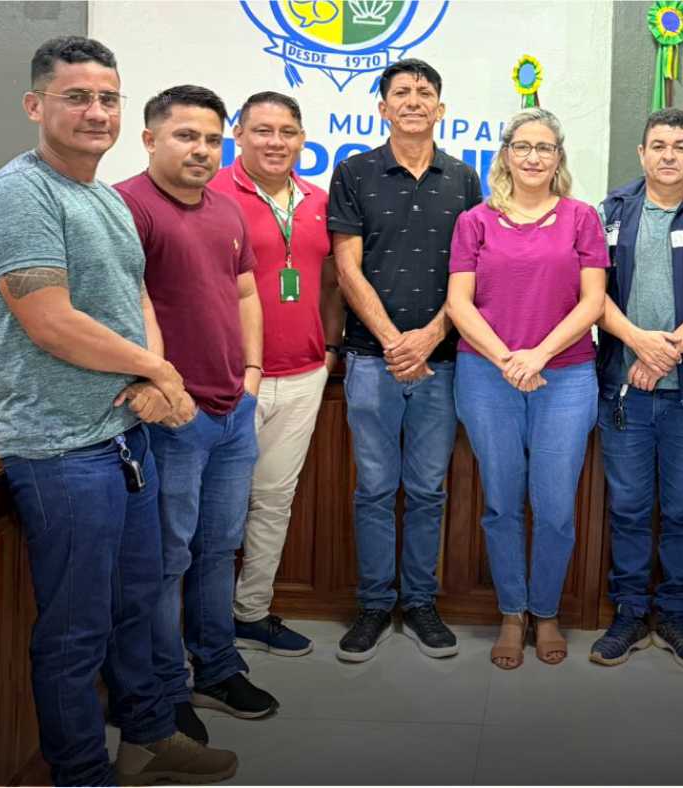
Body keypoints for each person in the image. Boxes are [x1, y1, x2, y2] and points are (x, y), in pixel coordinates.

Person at [0, 36, 236, 785]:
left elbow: (136, 299)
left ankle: (149, 737)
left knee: (132, 609)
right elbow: (48, 319)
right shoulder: (20, 193)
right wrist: (158, 368)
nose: (96, 111)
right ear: (35, 105)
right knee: (74, 633)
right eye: (76, 96)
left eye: (108, 98)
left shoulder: (103, 198)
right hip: (59, 452)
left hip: (124, 438)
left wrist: (153, 380)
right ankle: (83, 775)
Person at [117, 85, 277, 744]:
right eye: (186, 136)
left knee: (217, 550)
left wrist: (252, 375)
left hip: (231, 411)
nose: (202, 150)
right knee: (166, 560)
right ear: (151, 139)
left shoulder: (228, 210)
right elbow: (116, 306)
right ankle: (162, 689)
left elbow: (245, 292)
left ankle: (214, 666)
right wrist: (148, 381)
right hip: (170, 417)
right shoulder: (126, 206)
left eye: (212, 138)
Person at [327, 59, 484, 662]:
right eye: (401, 93)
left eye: (425, 93)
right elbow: (346, 266)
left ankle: (419, 602)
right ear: (382, 107)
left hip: (444, 363)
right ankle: (373, 604)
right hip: (373, 361)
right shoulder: (355, 173)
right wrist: (396, 341)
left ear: (441, 109)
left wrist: (429, 336)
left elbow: (473, 274)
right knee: (373, 489)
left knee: (427, 490)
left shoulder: (465, 179)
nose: (414, 100)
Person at [448, 107, 608, 670]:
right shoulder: (475, 221)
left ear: (558, 156)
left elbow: (593, 302)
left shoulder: (581, 218)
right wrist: (507, 359)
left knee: (556, 507)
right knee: (501, 503)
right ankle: (512, 613)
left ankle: (547, 612)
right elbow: (458, 304)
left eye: (545, 148)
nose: (534, 157)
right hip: (487, 376)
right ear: (506, 155)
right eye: (523, 147)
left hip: (565, 375)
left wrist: (537, 354)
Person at [590, 108, 683, 670]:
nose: (669, 155)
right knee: (628, 509)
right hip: (623, 395)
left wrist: (665, 352)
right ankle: (630, 613)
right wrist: (637, 341)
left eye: (681, 146)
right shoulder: (609, 212)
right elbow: (590, 293)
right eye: (659, 145)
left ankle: (676, 614)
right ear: (641, 152)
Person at [208, 91, 343, 658]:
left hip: (307, 373)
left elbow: (333, 281)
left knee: (273, 501)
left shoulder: (317, 199)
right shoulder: (211, 193)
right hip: (228, 380)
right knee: (214, 511)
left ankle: (251, 613)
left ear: (303, 140)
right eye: (262, 130)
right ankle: (204, 628)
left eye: (287, 132)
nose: (275, 142)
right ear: (239, 135)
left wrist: (331, 350)